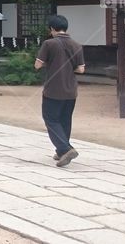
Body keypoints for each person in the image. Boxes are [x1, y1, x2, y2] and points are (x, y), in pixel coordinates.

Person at [34, 14, 86, 167]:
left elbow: (37, 64)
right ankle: (60, 150)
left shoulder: (49, 44)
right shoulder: (76, 45)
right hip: (71, 90)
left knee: (51, 119)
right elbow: (81, 69)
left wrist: (50, 63)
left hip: (53, 89)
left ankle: (65, 148)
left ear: (52, 29)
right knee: (65, 119)